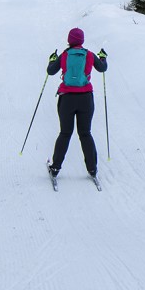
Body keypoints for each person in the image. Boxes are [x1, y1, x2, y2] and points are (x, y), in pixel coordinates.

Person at [46, 28, 108, 183]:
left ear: (70, 39)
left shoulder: (65, 55)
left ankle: (55, 169)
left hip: (67, 99)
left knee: (65, 133)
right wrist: (103, 58)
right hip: (86, 98)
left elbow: (50, 71)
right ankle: (92, 169)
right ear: (82, 40)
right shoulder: (89, 54)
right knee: (85, 133)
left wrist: (52, 60)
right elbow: (102, 68)